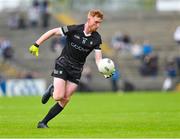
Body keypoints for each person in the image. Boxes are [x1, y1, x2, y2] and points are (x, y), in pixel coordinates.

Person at [29, 9, 115, 128]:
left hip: (77, 70)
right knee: (58, 96)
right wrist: (36, 44)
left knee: (65, 99)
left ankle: (43, 122)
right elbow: (53, 32)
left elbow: (98, 59)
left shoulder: (96, 38)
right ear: (89, 18)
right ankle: (51, 90)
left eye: (100, 23)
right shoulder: (74, 29)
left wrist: (105, 71)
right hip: (63, 64)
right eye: (96, 22)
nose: (98, 25)